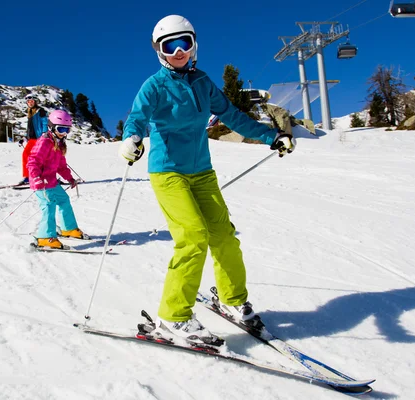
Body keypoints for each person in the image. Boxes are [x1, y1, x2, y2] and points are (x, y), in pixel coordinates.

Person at [119, 15, 296, 345]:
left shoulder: (202, 82)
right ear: (159, 51)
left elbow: (232, 116)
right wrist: (132, 139)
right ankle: (173, 317)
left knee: (224, 236)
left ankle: (231, 298)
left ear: (193, 44)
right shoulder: (154, 86)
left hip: (201, 172)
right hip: (168, 172)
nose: (178, 51)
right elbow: (137, 118)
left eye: (183, 42)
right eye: (169, 46)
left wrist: (272, 135)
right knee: (193, 236)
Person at [27, 109, 88, 249]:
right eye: (61, 129)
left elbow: (61, 166)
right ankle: (44, 237)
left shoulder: (59, 144)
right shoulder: (44, 142)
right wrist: (36, 177)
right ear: (51, 127)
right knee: (48, 206)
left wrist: (70, 178)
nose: (64, 133)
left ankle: (68, 229)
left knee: (64, 200)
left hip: (52, 182)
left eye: (67, 130)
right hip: (41, 183)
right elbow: (33, 161)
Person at [19, 94, 48, 185]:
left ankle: (46, 176)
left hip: (39, 138)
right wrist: (24, 138)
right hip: (31, 139)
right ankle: (28, 177)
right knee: (26, 154)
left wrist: (44, 133)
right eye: (28, 102)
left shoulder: (40, 111)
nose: (30, 103)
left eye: (31, 101)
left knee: (41, 158)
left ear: (35, 101)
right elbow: (29, 128)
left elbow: (45, 122)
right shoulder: (30, 112)